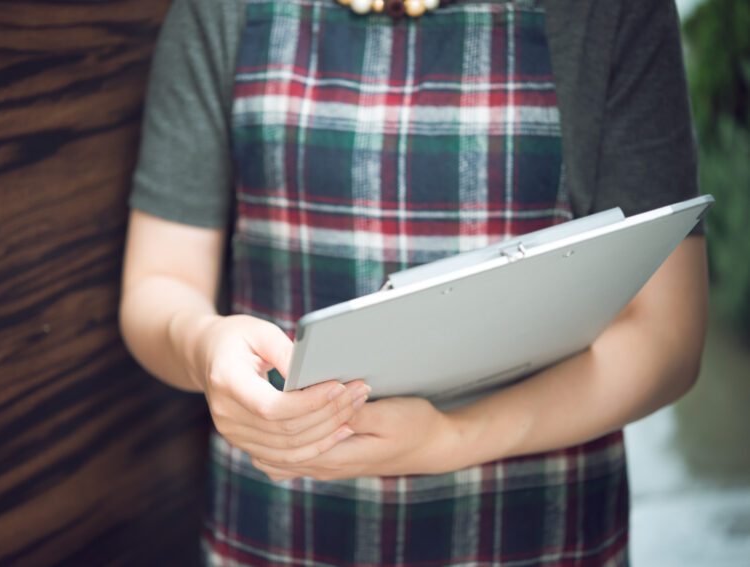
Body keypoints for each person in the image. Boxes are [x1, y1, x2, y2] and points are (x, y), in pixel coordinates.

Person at [119, 0, 708, 564]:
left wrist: (453, 438)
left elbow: (667, 337)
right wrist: (205, 349)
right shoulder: (219, 9)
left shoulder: (611, 12)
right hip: (281, 526)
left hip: (541, 528)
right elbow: (160, 282)